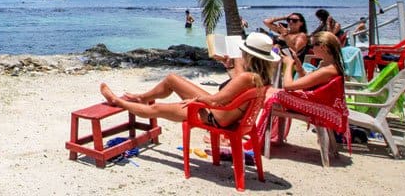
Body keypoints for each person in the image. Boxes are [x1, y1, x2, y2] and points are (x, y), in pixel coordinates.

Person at [99, 32, 279, 127]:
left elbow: (214, 101)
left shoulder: (247, 77)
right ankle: (141, 98)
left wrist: (195, 100)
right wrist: (229, 65)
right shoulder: (260, 77)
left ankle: (117, 101)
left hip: (214, 116)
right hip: (223, 112)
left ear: (249, 55)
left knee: (156, 109)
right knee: (172, 79)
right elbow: (235, 88)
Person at [276, 31, 346, 92]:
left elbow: (288, 86)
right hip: (318, 100)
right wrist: (300, 69)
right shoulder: (328, 65)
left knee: (278, 94)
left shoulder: (326, 70)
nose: (311, 48)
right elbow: (309, 80)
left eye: (312, 45)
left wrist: (289, 64)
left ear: (323, 47)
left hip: (316, 103)